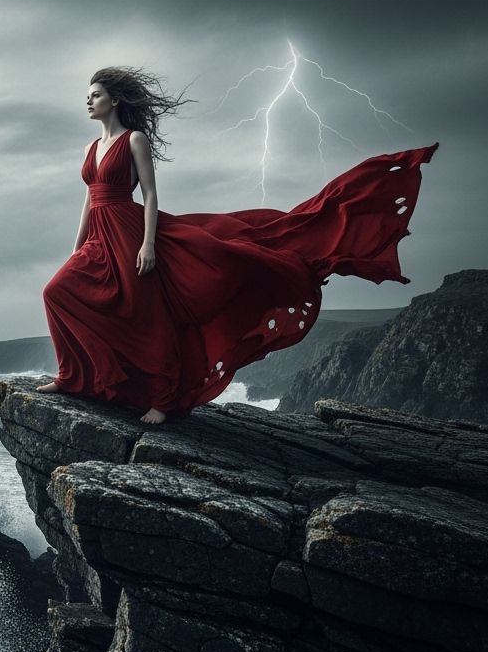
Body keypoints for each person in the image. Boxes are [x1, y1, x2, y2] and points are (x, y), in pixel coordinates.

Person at [36, 65, 439, 425]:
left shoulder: (134, 140)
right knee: (56, 292)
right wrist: (76, 247)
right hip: (97, 237)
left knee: (145, 314)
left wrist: (148, 245)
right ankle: (73, 376)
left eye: (95, 95)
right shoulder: (90, 149)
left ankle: (162, 399)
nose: (88, 101)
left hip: (128, 232)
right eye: (87, 96)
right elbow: (89, 200)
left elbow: (152, 195)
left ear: (114, 101)